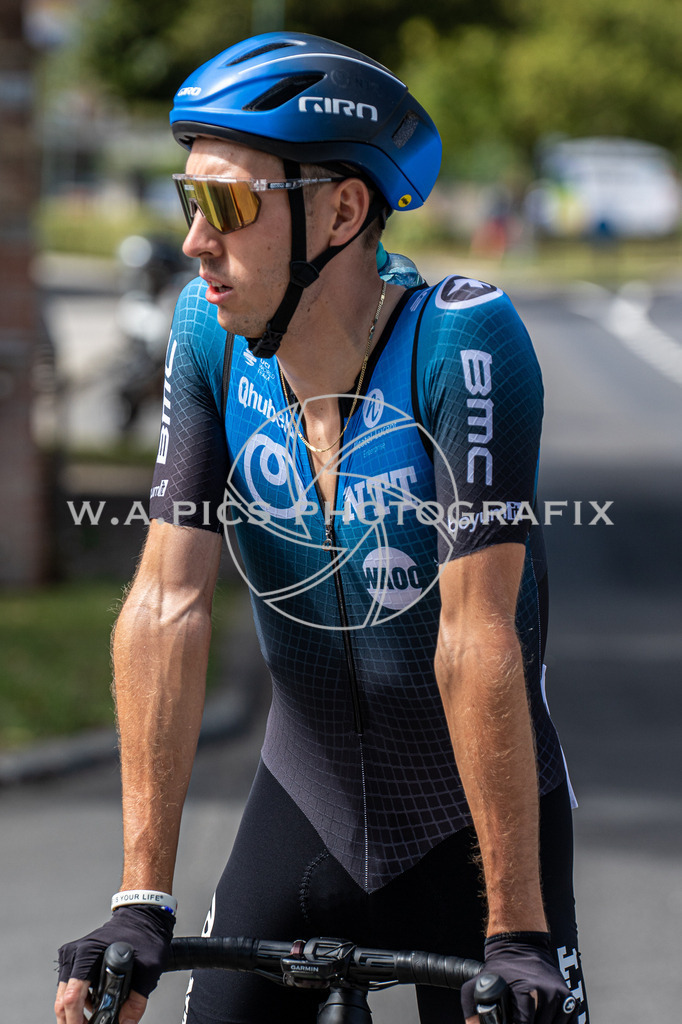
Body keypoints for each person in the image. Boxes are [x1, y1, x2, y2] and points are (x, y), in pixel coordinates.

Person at [55, 32, 588, 1024]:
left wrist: (515, 929)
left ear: (343, 210)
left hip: (474, 842)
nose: (193, 240)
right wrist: (141, 901)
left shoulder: (460, 340)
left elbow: (475, 639)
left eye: (226, 203)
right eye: (188, 199)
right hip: (306, 814)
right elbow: (168, 601)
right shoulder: (204, 333)